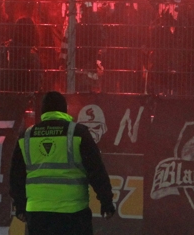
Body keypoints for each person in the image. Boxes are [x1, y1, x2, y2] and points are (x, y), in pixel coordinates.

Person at [9, 91, 115, 235]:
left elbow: (16, 176)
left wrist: (20, 206)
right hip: (73, 214)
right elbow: (96, 170)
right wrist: (106, 201)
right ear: (65, 109)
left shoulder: (26, 137)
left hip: (38, 214)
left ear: (42, 111)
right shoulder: (77, 133)